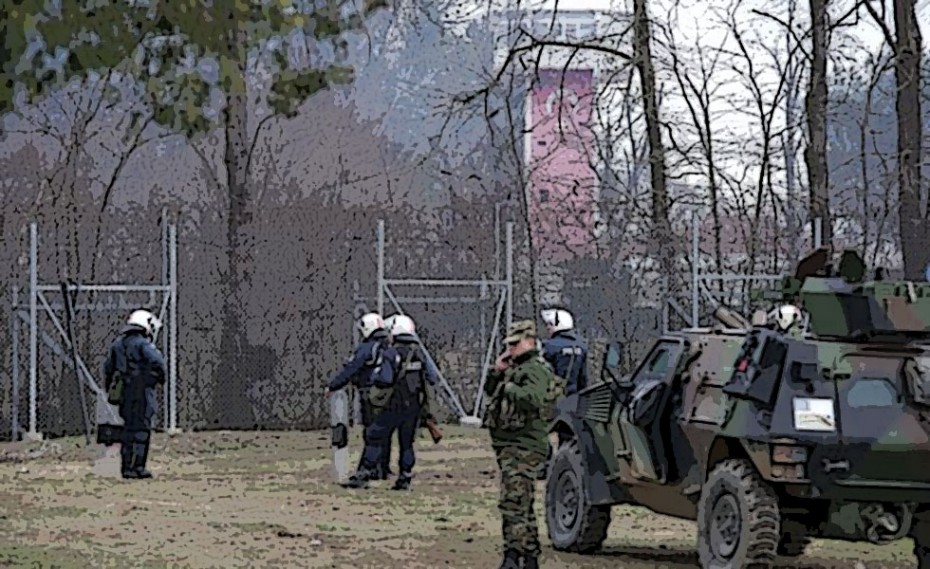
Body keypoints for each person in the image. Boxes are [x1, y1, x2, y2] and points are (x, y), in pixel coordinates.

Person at [483, 319, 555, 569]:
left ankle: (513, 555)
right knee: (521, 502)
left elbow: (532, 399)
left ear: (529, 341)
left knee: (513, 502)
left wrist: (510, 386)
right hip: (510, 444)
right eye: (509, 345)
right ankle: (530, 556)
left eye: (515, 344)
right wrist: (498, 371)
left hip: (524, 445)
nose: (511, 349)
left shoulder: (536, 369)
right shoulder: (515, 367)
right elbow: (490, 392)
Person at [344, 314, 439, 490]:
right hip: (414, 407)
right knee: (407, 443)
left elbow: (385, 379)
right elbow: (432, 378)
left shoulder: (391, 352)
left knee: (375, 436)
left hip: (392, 405)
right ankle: (405, 477)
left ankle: (365, 473)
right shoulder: (419, 353)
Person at [326, 312, 393, 480]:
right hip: (390, 394)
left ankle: (367, 469)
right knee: (384, 432)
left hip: (371, 394)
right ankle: (382, 468)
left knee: (371, 432)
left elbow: (352, 369)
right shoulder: (389, 346)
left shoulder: (367, 347)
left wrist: (333, 385)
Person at [103, 309, 167, 480]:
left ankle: (126, 467)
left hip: (125, 394)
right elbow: (158, 363)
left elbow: (108, 368)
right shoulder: (143, 344)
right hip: (143, 392)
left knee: (128, 429)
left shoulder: (118, 344)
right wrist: (157, 379)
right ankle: (138, 466)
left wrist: (110, 388)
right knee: (142, 429)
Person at [540, 308, 587, 472]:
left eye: (550, 325)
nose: (547, 328)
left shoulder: (549, 346)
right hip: (573, 397)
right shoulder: (581, 346)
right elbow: (583, 378)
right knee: (567, 433)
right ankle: (565, 466)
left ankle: (544, 465)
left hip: (552, 397)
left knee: (540, 429)